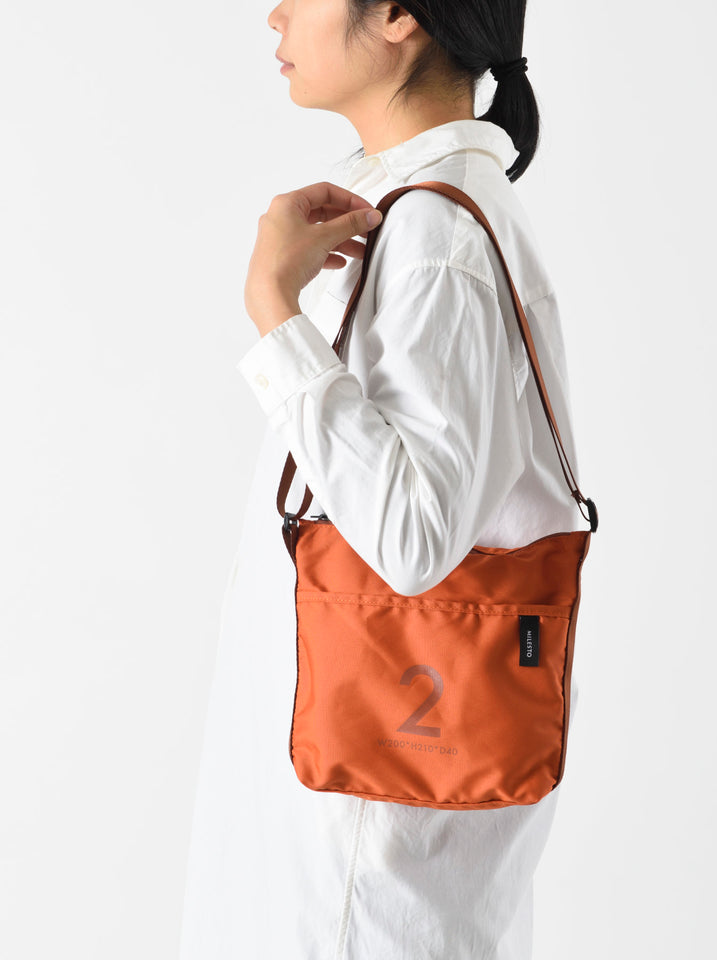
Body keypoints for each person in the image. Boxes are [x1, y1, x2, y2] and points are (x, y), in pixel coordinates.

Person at [178, 2, 587, 957]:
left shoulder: (437, 237)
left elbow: (413, 538)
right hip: (359, 833)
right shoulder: (419, 212)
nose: (276, 13)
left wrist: (275, 313)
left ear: (400, 14)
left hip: (362, 869)